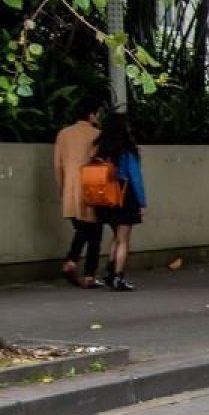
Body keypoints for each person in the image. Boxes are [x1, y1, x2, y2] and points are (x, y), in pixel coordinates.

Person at [54, 97, 104, 288]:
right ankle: (88, 274)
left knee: (82, 229)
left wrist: (62, 189)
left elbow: (58, 165)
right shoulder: (97, 134)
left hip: (70, 189)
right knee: (95, 233)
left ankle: (71, 261)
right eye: (97, 113)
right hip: (92, 188)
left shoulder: (63, 134)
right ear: (91, 114)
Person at [94, 113, 146, 291]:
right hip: (124, 195)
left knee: (116, 237)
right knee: (123, 240)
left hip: (105, 197)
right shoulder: (127, 150)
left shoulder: (101, 149)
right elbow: (135, 178)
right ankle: (118, 276)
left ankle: (109, 271)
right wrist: (141, 202)